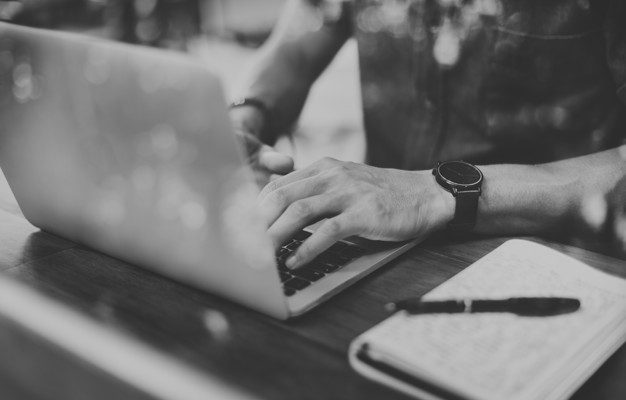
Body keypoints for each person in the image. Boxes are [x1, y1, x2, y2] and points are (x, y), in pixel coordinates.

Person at [229, 0, 626, 269]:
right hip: (375, 246)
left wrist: (437, 193)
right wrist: (248, 114)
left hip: (558, 265)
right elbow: (296, 48)